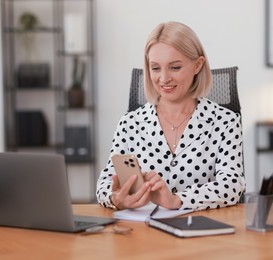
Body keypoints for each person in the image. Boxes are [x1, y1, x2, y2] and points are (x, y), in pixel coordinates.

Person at [96, 21, 245, 211]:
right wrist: (116, 198)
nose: (164, 78)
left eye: (175, 67)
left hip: (202, 232)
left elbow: (232, 185)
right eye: (155, 68)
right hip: (142, 234)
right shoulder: (130, 123)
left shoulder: (225, 121)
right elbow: (105, 183)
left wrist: (176, 201)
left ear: (198, 65)